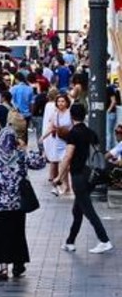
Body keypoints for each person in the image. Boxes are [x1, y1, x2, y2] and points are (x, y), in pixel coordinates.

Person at [0, 124, 46, 279]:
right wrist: (25, 147)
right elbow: (40, 163)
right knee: (16, 234)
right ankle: (18, 264)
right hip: (16, 202)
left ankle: (3, 269)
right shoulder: (20, 154)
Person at [55, 103, 113, 254]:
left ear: (71, 116)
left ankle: (104, 240)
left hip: (79, 175)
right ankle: (70, 241)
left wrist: (59, 177)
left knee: (88, 210)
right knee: (78, 210)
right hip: (91, 176)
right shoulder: (90, 132)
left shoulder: (73, 133)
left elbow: (68, 157)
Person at [41, 91, 71, 196]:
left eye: (63, 101)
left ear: (67, 102)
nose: (60, 103)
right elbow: (51, 127)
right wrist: (44, 136)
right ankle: (65, 185)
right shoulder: (55, 114)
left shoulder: (70, 113)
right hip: (59, 141)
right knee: (62, 163)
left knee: (65, 164)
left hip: (69, 141)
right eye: (59, 101)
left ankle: (64, 184)